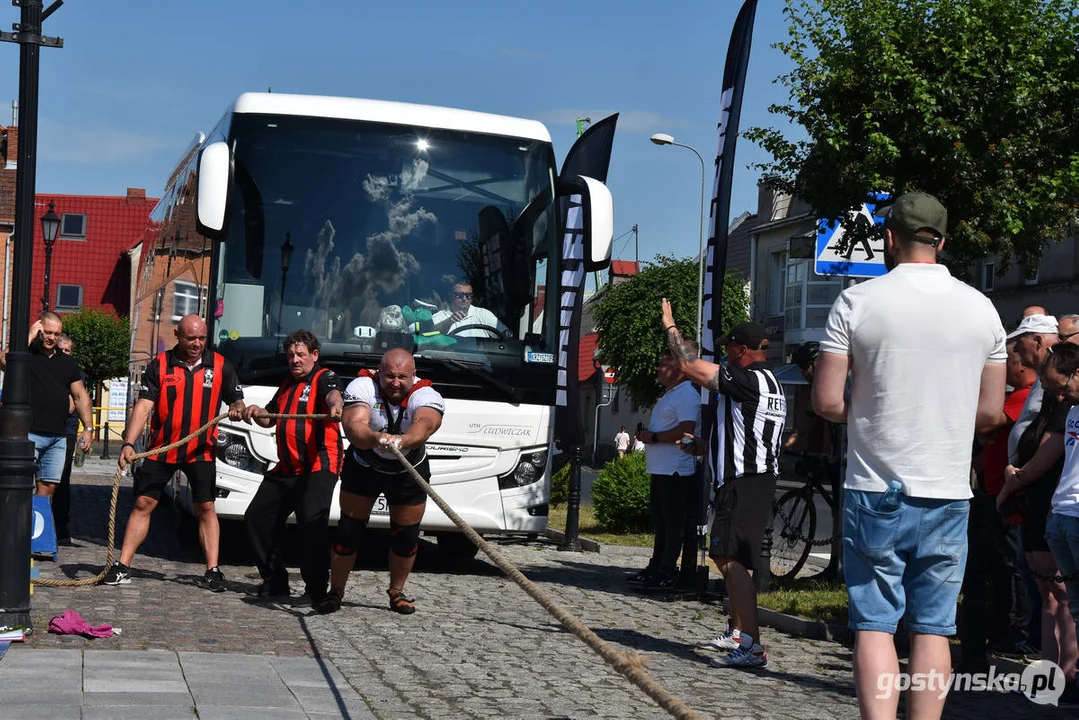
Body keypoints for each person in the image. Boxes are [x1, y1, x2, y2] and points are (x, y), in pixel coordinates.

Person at [811, 192, 1006, 719]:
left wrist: (873, 411)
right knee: (934, 627)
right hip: (948, 490)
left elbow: (827, 401)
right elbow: (990, 414)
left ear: (888, 238)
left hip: (876, 487)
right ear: (942, 242)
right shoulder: (982, 308)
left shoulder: (856, 301)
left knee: (874, 624)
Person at [660, 307, 786, 669]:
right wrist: (703, 445)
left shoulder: (746, 378)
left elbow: (688, 365)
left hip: (744, 479)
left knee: (730, 559)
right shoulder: (771, 382)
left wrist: (671, 325)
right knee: (729, 555)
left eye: (729, 347)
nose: (725, 353)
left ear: (742, 350)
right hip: (752, 476)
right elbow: (744, 430)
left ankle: (752, 645)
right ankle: (737, 630)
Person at [105, 315, 245, 591]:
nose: (196, 343)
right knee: (144, 504)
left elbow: (236, 398)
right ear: (177, 335)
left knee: (206, 507)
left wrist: (240, 407)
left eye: (202, 338)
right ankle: (123, 565)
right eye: (190, 338)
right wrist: (129, 443)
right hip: (162, 448)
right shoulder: (159, 365)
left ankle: (212, 570)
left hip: (201, 450)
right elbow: (144, 406)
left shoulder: (220, 366)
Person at [316, 348, 444, 615]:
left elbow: (426, 423)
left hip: (408, 467)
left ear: (413, 375)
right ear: (378, 372)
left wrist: (403, 441)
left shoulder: (426, 394)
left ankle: (396, 590)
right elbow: (354, 427)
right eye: (389, 376)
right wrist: (376, 438)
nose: (395, 383)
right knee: (348, 531)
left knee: (406, 536)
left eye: (402, 377)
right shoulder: (362, 386)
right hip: (365, 464)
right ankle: (336, 590)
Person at [998, 318, 1078, 689]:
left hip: (1057, 504)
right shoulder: (1063, 407)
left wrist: (1014, 481)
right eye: (1048, 388)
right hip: (1047, 508)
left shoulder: (1066, 411)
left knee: (1063, 598)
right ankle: (1052, 673)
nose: (1055, 394)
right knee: (1052, 596)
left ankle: (1067, 673)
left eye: (1056, 386)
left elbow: (1049, 457)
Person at [242, 330, 344, 602]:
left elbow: (334, 395)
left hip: (319, 464)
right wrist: (254, 412)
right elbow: (270, 418)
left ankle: (316, 590)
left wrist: (336, 406)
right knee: (256, 518)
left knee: (311, 522)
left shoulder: (325, 377)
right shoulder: (287, 385)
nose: (295, 360)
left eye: (300, 354)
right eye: (290, 355)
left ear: (314, 355)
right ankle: (275, 581)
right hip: (286, 467)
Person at [959, 340, 1036, 668]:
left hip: (1005, 494)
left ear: (1020, 365)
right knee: (991, 564)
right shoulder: (1015, 395)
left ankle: (1012, 630)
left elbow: (989, 424)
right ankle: (997, 627)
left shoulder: (1024, 395)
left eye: (1007, 362)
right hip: (991, 489)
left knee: (1006, 565)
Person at [626, 348, 700, 589]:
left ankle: (668, 569)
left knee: (673, 523)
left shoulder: (686, 395)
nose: (658, 368)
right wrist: (647, 435)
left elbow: (686, 431)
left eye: (664, 364)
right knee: (661, 522)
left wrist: (654, 437)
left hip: (675, 470)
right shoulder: (670, 394)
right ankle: (656, 566)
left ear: (679, 370)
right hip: (661, 469)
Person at [1040, 342, 1079, 703]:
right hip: (1063, 515)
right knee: (1076, 604)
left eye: (1062, 387)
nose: (1060, 395)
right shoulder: (1072, 412)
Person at [22, 313, 94, 499]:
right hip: (29, 433)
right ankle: (17, 527)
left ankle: (38, 527)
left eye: (56, 334)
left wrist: (88, 428)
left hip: (57, 436)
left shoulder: (68, 362)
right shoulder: (27, 354)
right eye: (47, 332)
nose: (51, 337)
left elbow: (80, 396)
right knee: (19, 486)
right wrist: (28, 337)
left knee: (48, 488)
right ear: (39, 329)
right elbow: (5, 360)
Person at [52, 333, 84, 545]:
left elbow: (75, 403)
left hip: (66, 431)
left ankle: (61, 528)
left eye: (67, 350)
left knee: (61, 480)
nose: (63, 353)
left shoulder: (74, 372)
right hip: (45, 428)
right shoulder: (47, 368)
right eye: (60, 349)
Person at [431, 283, 507, 338]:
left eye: (469, 296)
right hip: (448, 359)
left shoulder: (483, 314)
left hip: (480, 360)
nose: (464, 299)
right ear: (450, 296)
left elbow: (505, 336)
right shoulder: (439, 317)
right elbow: (430, 336)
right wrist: (449, 322)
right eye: (459, 295)